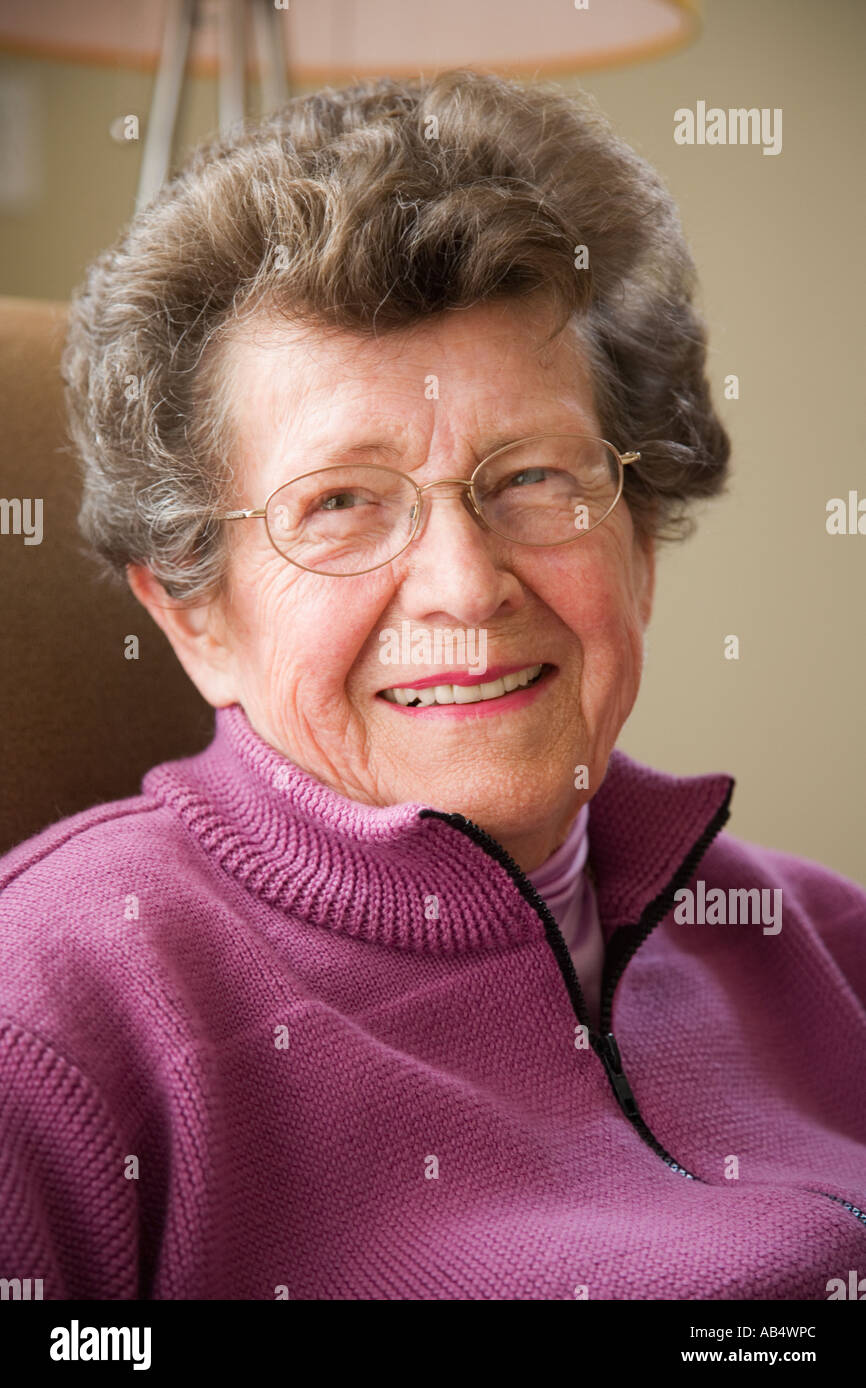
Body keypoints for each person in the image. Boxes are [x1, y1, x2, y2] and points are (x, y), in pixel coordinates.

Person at [1, 69, 864, 1301]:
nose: (463, 585)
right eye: (341, 503)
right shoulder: (50, 1017)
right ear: (196, 615)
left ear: (640, 535)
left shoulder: (824, 942)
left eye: (532, 478)